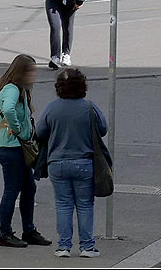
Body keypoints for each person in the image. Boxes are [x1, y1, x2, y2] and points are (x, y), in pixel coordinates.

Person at [36, 68, 109, 258]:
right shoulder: (89, 107)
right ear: (82, 86)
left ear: (59, 87)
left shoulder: (53, 107)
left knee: (63, 205)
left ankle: (63, 247)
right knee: (85, 204)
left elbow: (40, 132)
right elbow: (103, 129)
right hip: (84, 163)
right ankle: (87, 247)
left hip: (57, 163)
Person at [0, 55, 50, 248]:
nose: (34, 75)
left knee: (29, 188)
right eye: (31, 71)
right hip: (10, 147)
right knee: (12, 190)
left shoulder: (19, 89)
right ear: (21, 72)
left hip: (15, 148)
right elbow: (8, 109)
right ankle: (5, 233)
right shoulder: (12, 89)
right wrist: (17, 129)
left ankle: (29, 230)